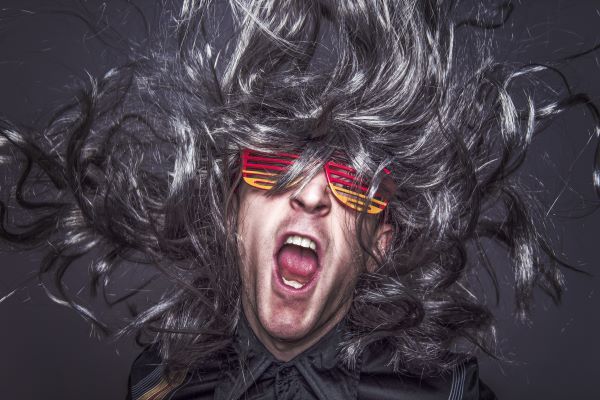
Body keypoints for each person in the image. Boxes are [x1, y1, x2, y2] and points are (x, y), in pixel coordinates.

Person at [1, 1, 598, 399]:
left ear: (380, 244)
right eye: (273, 165)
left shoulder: (448, 394)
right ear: (232, 213)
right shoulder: (158, 384)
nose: (311, 193)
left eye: (352, 182)